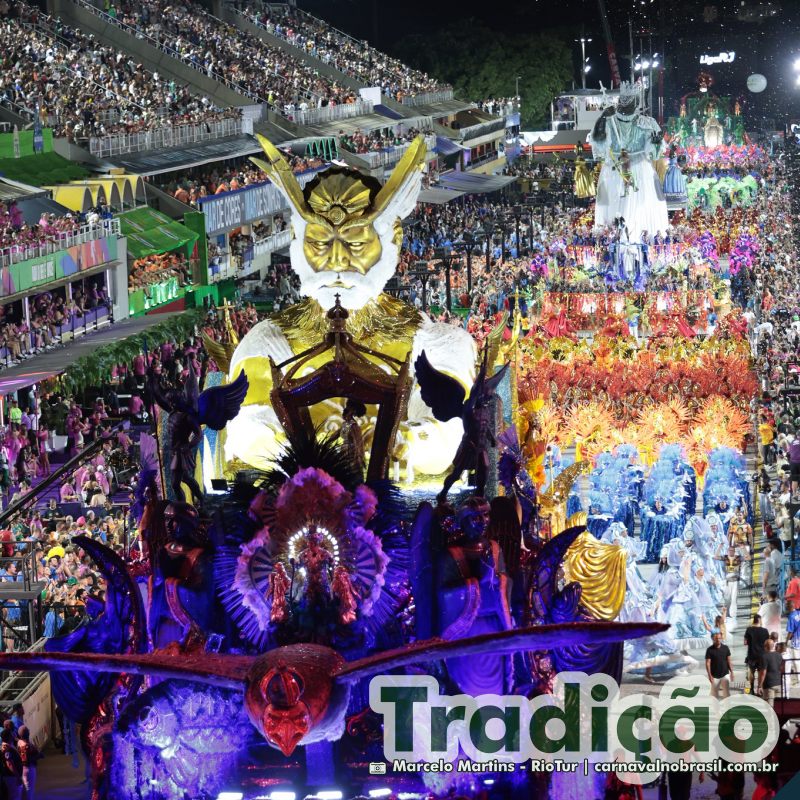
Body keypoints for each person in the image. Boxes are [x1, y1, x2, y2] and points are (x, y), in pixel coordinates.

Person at [744, 614, 769, 693]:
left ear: (753, 620)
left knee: (751, 672)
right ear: (760, 621)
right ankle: (759, 688)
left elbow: (745, 642)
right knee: (760, 672)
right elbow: (767, 643)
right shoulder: (765, 631)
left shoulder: (749, 630)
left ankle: (751, 690)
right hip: (762, 655)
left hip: (752, 654)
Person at [705, 630, 734, 699]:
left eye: (719, 638)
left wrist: (732, 672)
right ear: (713, 639)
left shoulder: (726, 648)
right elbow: (708, 663)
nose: (718, 640)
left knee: (726, 693)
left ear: (721, 638)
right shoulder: (709, 650)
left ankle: (727, 708)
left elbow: (729, 661)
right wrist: (709, 675)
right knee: (714, 695)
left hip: (725, 674)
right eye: (716, 639)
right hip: (714, 675)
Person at [16, 725, 39, 800]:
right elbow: (26, 760)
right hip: (29, 768)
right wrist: (37, 756)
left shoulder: (20, 742)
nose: (29, 732)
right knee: (29, 790)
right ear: (26, 733)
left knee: (27, 790)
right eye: (28, 731)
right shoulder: (26, 745)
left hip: (24, 769)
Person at [759, 638, 783, 707]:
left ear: (765, 647)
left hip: (769, 685)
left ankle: (771, 718)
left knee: (769, 707)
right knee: (778, 707)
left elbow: (763, 673)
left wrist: (759, 686)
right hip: (779, 683)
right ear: (773, 646)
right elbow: (781, 668)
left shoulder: (764, 656)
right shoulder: (779, 655)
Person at [0, 727, 23, 800]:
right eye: (11, 734)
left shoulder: (6, 746)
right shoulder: (7, 748)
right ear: (8, 737)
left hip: (10, 777)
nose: (13, 735)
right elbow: (9, 763)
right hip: (11, 777)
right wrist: (18, 777)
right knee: (15, 797)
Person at [786, 600, 800, 687]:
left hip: (796, 641)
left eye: (787, 606)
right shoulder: (798, 612)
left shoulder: (791, 616)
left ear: (789, 607)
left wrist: (786, 641)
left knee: (796, 661)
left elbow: (790, 631)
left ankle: (799, 680)